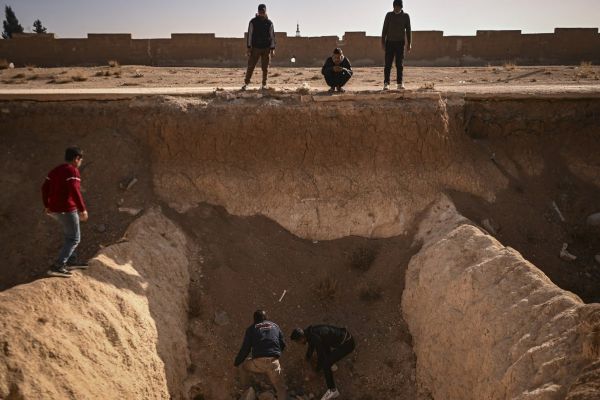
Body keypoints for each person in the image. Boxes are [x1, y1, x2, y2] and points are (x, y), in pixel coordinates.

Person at [42, 147, 89, 278]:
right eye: (81, 159)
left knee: (69, 235)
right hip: (67, 209)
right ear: (76, 158)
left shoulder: (55, 170)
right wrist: (82, 209)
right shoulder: (72, 170)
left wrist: (47, 205)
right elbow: (75, 190)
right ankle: (58, 266)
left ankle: (71, 261)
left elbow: (44, 188)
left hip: (54, 209)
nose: (81, 162)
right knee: (74, 238)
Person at [290, 325, 356, 400]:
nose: (298, 344)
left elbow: (320, 357)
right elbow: (311, 346)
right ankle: (332, 364)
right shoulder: (310, 333)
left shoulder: (315, 337)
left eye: (297, 342)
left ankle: (333, 390)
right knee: (324, 344)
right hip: (345, 338)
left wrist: (316, 371)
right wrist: (307, 358)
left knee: (325, 364)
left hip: (347, 345)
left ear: (301, 338)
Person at [234, 310, 288, 399]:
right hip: (273, 362)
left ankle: (246, 391)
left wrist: (237, 362)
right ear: (266, 317)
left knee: (243, 366)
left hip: (258, 363)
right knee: (281, 388)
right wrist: (275, 354)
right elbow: (283, 344)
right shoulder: (275, 326)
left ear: (254, 319)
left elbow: (245, 349)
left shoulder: (251, 329)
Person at [242, 4, 276, 91]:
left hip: (266, 48)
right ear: (258, 11)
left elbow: (272, 36)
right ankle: (246, 84)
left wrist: (272, 49)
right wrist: (249, 47)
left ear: (265, 12)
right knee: (251, 66)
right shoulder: (253, 22)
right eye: (260, 11)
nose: (262, 13)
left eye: (263, 12)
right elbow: (249, 35)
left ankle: (264, 84)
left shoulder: (269, 23)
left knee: (265, 68)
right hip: (255, 48)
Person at [381, 0, 412, 90]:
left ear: (401, 7)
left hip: (400, 43)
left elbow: (408, 30)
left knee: (399, 64)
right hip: (389, 43)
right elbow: (384, 29)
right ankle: (386, 83)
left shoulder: (405, 16)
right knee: (388, 64)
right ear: (393, 6)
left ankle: (399, 83)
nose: (397, 8)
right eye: (395, 7)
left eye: (398, 7)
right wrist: (383, 42)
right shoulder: (389, 15)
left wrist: (409, 43)